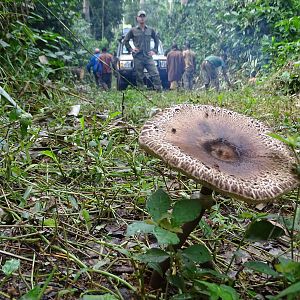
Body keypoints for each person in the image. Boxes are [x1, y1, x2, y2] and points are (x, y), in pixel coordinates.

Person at [123, 10, 162, 91]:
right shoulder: (133, 30)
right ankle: (142, 92)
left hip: (148, 56)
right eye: (140, 16)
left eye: (143, 16)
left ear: (146, 18)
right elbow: (125, 41)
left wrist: (154, 50)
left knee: (155, 74)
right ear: (137, 18)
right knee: (139, 76)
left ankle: (158, 91)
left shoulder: (150, 30)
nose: (142, 18)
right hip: (138, 57)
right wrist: (131, 49)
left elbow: (156, 40)